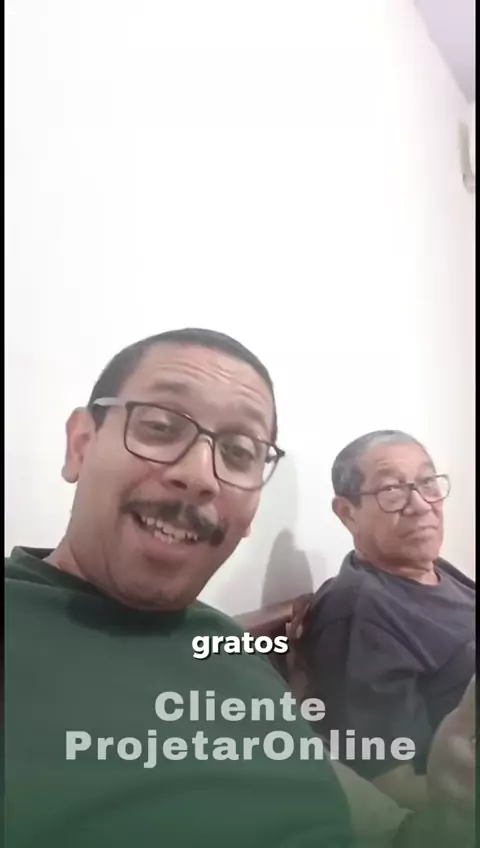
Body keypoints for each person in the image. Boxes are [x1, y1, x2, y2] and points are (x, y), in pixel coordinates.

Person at [5, 334, 474, 847]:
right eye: (160, 427)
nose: (198, 475)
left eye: (238, 453)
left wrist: (455, 816)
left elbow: (384, 826)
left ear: (250, 513)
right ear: (80, 445)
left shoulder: (228, 646)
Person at [299, 430, 475, 812]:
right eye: (392, 490)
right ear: (348, 513)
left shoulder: (434, 570)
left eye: (427, 483)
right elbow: (394, 784)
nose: (421, 505)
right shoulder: (359, 611)